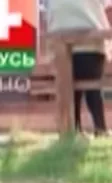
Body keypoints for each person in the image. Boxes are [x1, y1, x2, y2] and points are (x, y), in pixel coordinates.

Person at [49, 0, 110, 133]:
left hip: (60, 42)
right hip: (91, 42)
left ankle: (74, 130)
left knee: (71, 91)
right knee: (93, 90)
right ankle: (100, 128)